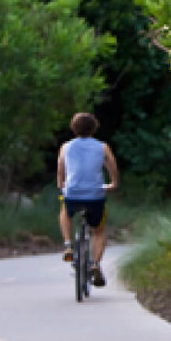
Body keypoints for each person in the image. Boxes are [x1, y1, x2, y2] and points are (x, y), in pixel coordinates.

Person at [57, 112, 119, 287]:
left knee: (65, 211)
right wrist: (113, 183)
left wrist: (60, 183)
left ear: (73, 128)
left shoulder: (66, 147)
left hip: (72, 193)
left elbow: (61, 167)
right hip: (95, 194)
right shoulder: (102, 147)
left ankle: (68, 244)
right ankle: (95, 264)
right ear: (94, 128)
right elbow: (112, 165)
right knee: (98, 230)